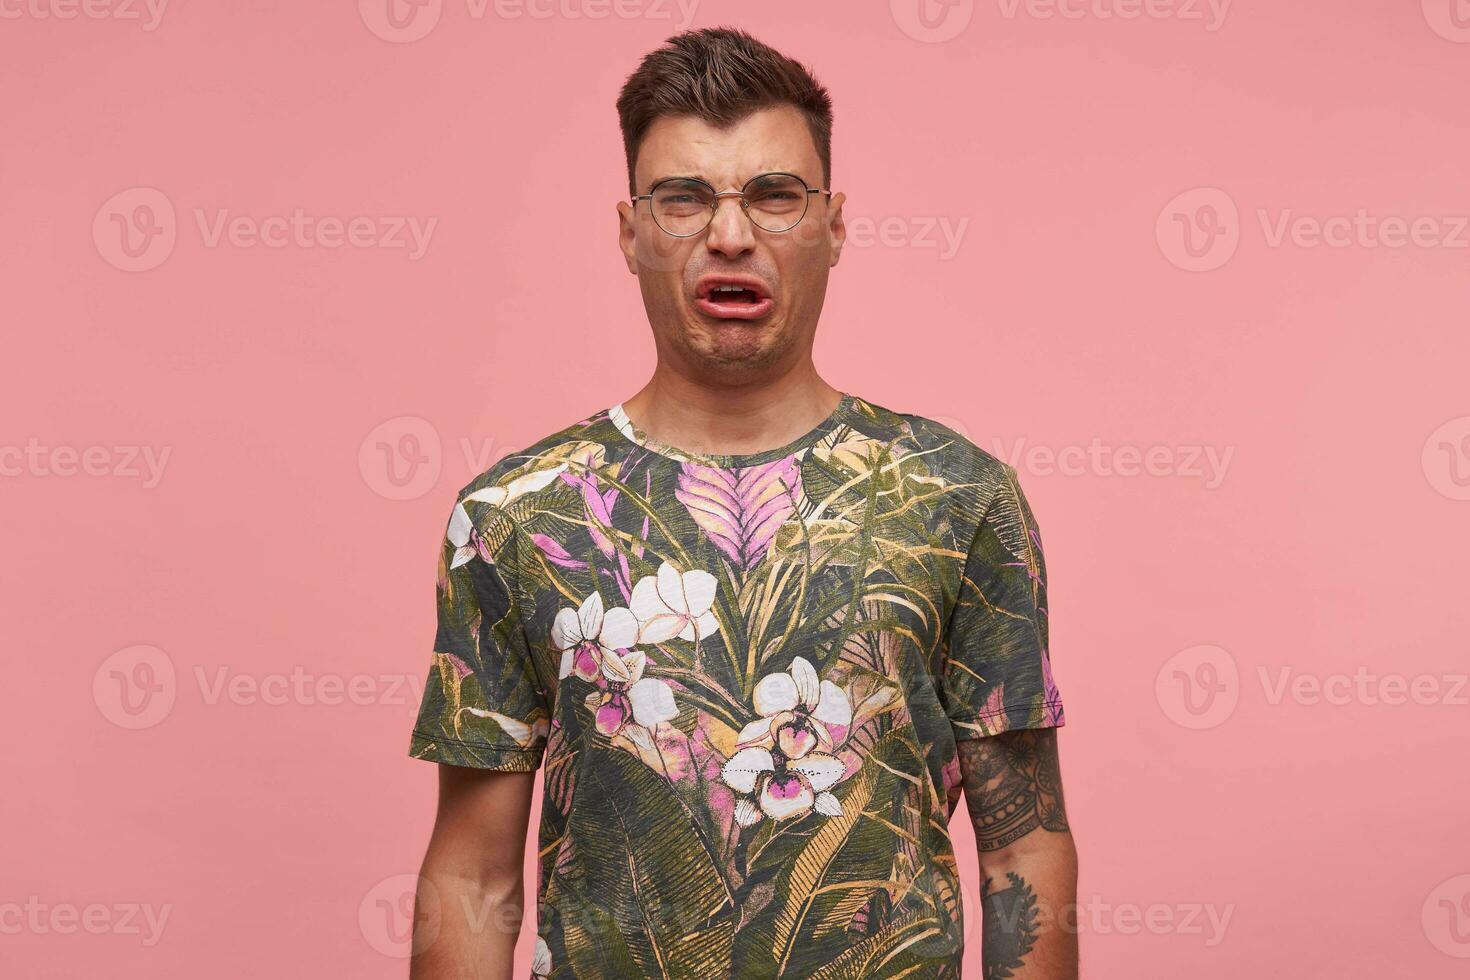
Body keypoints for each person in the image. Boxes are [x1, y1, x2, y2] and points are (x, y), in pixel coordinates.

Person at [407, 26, 1077, 980]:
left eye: (775, 195)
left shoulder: (956, 493)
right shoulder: (519, 514)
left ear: (835, 226)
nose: (731, 234)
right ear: (630, 231)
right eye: (682, 198)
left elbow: (1024, 848)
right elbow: (472, 877)